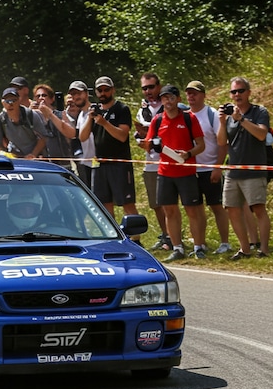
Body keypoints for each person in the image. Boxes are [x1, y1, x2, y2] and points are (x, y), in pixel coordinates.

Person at [143, 85, 206, 262]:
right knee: (169, 211)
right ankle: (177, 247)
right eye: (164, 98)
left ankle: (198, 247)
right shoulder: (157, 120)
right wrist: (146, 144)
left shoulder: (188, 118)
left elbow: (201, 145)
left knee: (192, 211)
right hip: (164, 172)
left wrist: (187, 154)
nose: (167, 102)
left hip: (186, 171)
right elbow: (149, 143)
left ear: (178, 99)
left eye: (170, 98)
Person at [217, 76, 272, 259]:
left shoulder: (259, 112)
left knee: (258, 209)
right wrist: (222, 121)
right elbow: (221, 141)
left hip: (254, 170)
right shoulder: (229, 115)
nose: (237, 94)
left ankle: (263, 249)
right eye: (234, 91)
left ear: (248, 92)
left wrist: (241, 119)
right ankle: (244, 248)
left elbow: (261, 134)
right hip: (233, 170)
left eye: (241, 91)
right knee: (231, 209)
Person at [80, 76, 139, 226]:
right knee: (105, 205)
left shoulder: (121, 109)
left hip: (119, 163)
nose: (103, 93)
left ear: (112, 90)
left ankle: (136, 239)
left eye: (106, 90)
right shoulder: (94, 111)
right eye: (100, 90)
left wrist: (104, 123)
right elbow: (83, 136)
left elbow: (122, 136)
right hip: (100, 165)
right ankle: (113, 235)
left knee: (127, 204)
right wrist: (90, 117)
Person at [185, 80, 232, 255]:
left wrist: (218, 167)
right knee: (196, 208)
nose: (191, 96)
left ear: (203, 95)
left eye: (195, 93)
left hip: (210, 167)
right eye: (189, 93)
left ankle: (225, 242)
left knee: (217, 206)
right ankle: (201, 243)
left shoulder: (211, 114)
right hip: (192, 169)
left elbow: (222, 143)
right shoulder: (185, 116)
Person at [134, 73, 170, 251]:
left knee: (169, 203)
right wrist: (143, 140)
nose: (148, 91)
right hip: (151, 162)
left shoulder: (169, 106)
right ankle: (165, 235)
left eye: (151, 87)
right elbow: (138, 137)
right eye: (144, 88)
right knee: (156, 204)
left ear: (159, 86)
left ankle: (174, 238)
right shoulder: (143, 110)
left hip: (169, 161)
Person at [0, 87, 46, 158]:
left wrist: (33, 154)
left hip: (36, 157)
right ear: (2, 102)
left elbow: (44, 137)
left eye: (13, 100)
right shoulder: (0, 119)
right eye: (7, 101)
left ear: (19, 100)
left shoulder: (31, 115)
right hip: (15, 158)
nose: (10, 104)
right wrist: (9, 154)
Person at [32, 84, 74, 169]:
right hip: (42, 163)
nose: (41, 98)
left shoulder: (60, 114)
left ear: (52, 99)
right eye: (38, 96)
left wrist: (50, 114)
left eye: (44, 95)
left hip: (62, 163)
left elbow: (70, 133)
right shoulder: (33, 117)